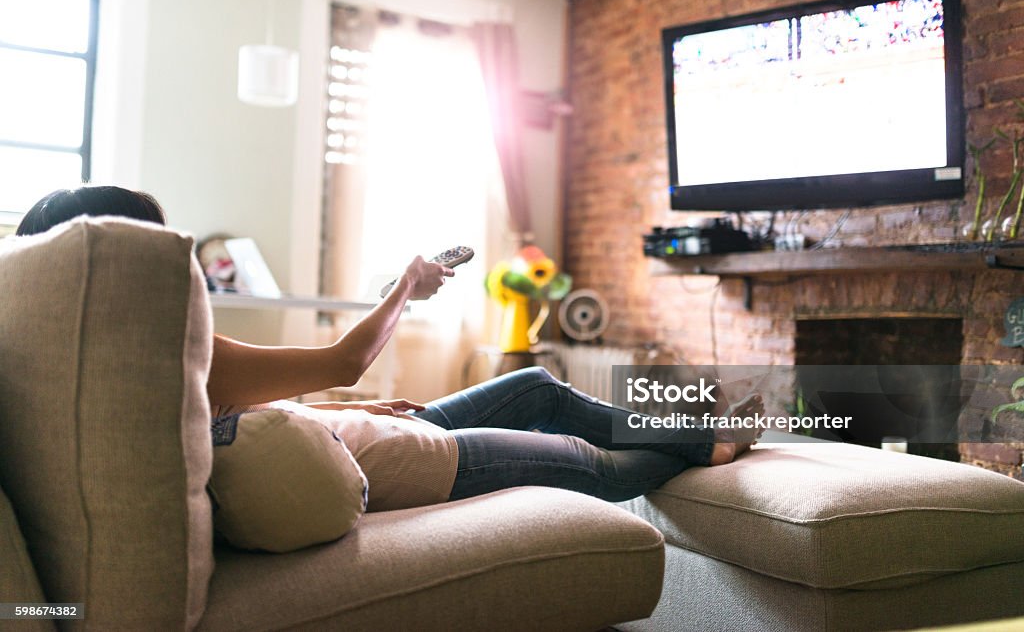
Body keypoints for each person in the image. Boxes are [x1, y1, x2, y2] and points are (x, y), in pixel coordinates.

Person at [18, 186, 764, 511]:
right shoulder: (170, 360)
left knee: (537, 385)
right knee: (594, 468)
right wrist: (407, 285)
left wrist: (350, 408)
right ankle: (710, 442)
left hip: (368, 431)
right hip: (407, 461)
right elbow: (344, 357)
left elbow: (246, 418)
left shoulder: (109, 373)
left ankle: (705, 435)